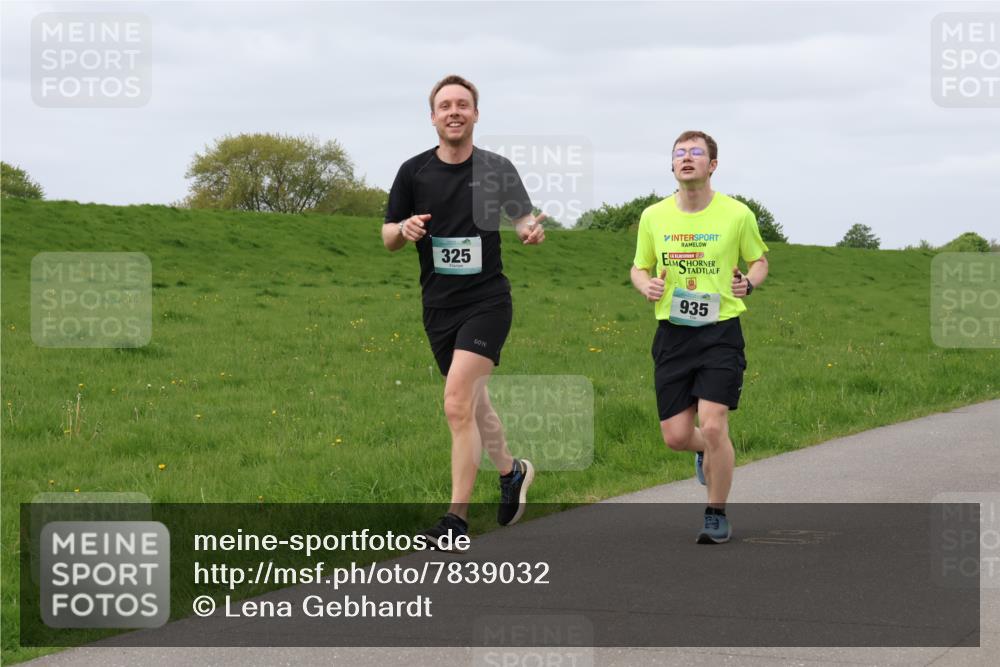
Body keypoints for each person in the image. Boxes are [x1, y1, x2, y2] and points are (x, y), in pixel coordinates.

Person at [382, 75, 546, 549]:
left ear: (475, 114)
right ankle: (512, 472)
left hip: (487, 302)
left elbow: (524, 223)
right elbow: (388, 236)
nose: (454, 111)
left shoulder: (496, 169)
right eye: (445, 105)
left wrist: (532, 232)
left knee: (456, 402)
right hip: (437, 307)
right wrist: (404, 229)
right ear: (432, 116)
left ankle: (455, 520)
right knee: (474, 405)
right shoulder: (413, 172)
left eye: (463, 105)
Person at [630, 130, 769, 544]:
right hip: (672, 335)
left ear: (712, 165)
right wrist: (645, 286)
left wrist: (750, 283)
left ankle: (715, 512)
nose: (686, 158)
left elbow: (758, 260)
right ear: (672, 166)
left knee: (713, 425)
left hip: (720, 332)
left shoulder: (736, 214)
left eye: (696, 153)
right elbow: (639, 267)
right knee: (676, 437)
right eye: (679, 154)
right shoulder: (653, 216)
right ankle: (703, 452)